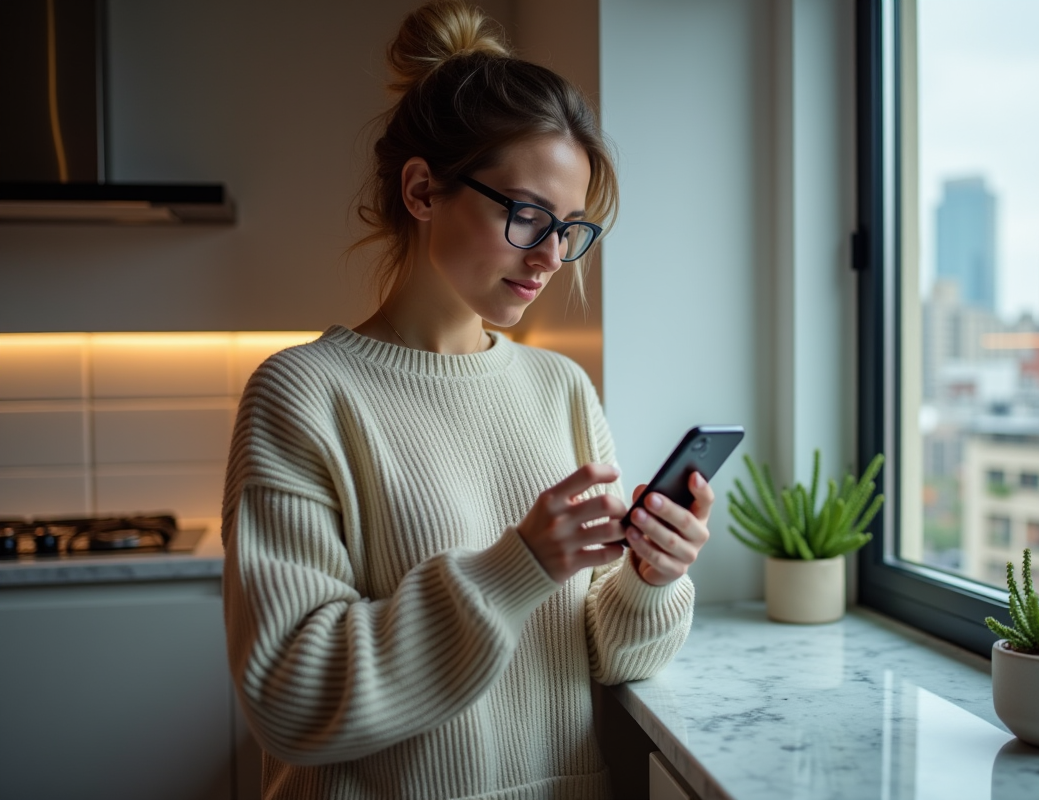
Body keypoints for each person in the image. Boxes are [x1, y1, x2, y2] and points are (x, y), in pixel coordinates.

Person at [220, 2, 714, 798]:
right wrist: (517, 566)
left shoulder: (561, 390)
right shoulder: (302, 394)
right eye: (527, 215)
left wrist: (651, 577)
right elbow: (291, 697)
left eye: (571, 228)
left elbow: (609, 654)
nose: (553, 255)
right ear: (422, 189)